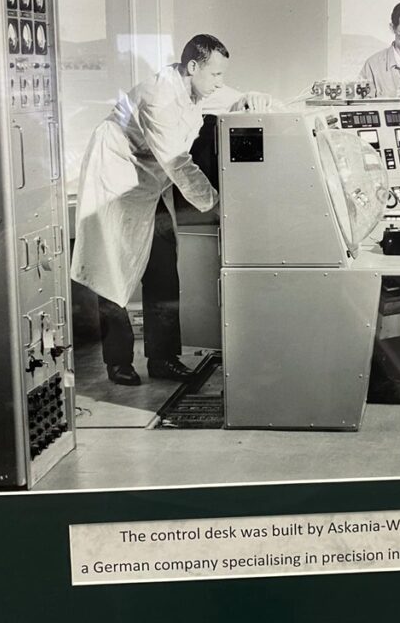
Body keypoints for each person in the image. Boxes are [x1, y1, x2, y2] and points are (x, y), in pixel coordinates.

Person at [71, 34, 270, 386]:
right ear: (193, 66)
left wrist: (252, 97)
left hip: (149, 178)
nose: (219, 81)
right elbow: (179, 163)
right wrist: (219, 205)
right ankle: (118, 362)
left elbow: (230, 96)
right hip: (115, 176)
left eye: (222, 74)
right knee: (112, 270)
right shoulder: (159, 97)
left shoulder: (195, 84)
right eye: (216, 74)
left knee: (163, 265)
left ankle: (163, 358)